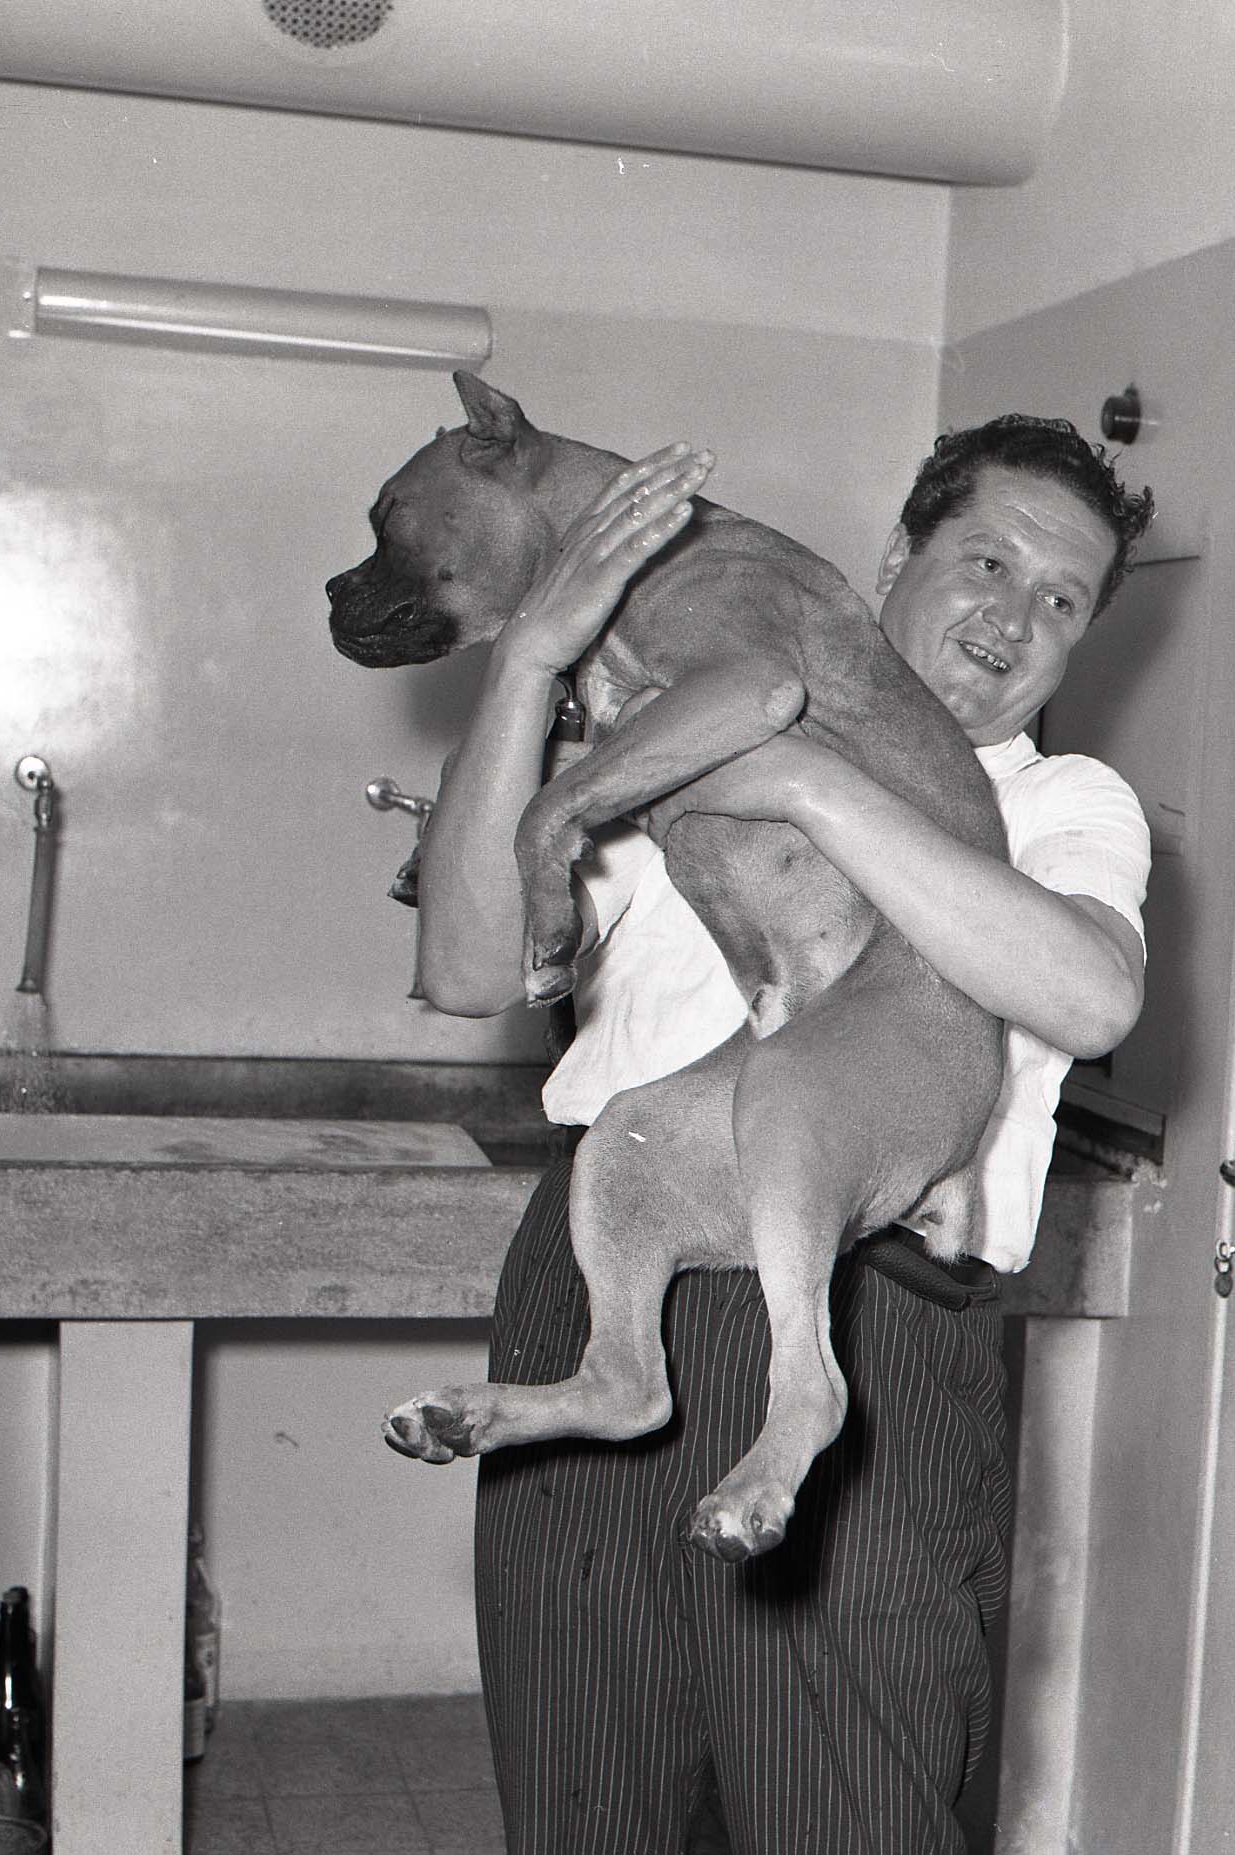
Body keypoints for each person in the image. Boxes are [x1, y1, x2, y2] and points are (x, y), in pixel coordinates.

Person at [415, 415, 1156, 1855]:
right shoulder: (668, 715)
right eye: (985, 562)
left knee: (845, 1820)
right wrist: (528, 664)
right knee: (582, 1814)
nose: (1014, 618)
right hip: (606, 1272)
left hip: (866, 1327)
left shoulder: (1060, 803)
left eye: (1062, 600)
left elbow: (1088, 990)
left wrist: (807, 778)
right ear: (893, 558)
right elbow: (461, 969)